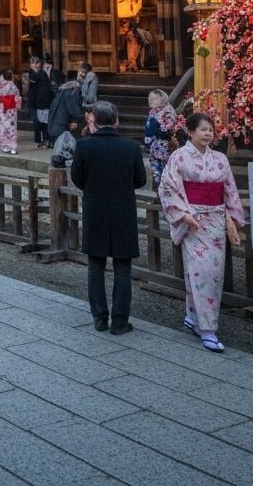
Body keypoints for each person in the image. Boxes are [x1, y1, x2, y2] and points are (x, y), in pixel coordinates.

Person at [158, 113, 245, 353]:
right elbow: (168, 186)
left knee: (212, 273)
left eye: (211, 130)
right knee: (200, 271)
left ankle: (193, 317)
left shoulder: (220, 159)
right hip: (193, 220)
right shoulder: (179, 157)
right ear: (190, 131)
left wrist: (233, 219)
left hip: (216, 220)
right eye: (203, 130)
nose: (208, 134)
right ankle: (208, 330)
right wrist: (182, 214)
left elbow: (229, 190)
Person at [69, 101, 147, 334]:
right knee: (123, 267)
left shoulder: (84, 146)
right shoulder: (131, 147)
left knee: (96, 266)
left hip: (95, 208)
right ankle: (120, 321)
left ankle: (100, 318)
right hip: (123, 208)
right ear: (116, 121)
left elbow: (77, 177)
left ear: (95, 120)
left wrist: (92, 187)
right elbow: (140, 180)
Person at [144, 89, 176, 188]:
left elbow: (166, 131)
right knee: (156, 171)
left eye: (154, 99)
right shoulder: (154, 110)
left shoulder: (167, 111)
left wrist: (156, 126)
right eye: (151, 99)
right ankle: (158, 191)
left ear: (162, 99)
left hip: (163, 146)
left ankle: (164, 192)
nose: (151, 101)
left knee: (164, 170)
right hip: (154, 145)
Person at [47, 69, 83, 148]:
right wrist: (82, 116)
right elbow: (74, 110)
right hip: (62, 126)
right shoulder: (71, 92)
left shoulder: (61, 91)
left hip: (55, 125)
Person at [0, 70, 22, 155]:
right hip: (12, 111)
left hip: (3, 110)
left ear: (3, 77)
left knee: (3, 127)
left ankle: (5, 146)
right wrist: (17, 106)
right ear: (11, 77)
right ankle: (13, 147)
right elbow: (18, 98)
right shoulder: (14, 87)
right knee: (12, 127)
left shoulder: (1, 86)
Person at [26, 55, 53, 148]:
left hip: (44, 101)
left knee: (45, 123)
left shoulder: (43, 73)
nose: (35, 65)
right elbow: (28, 86)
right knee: (37, 123)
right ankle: (38, 141)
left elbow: (48, 86)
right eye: (33, 63)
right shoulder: (28, 74)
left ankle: (46, 140)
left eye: (37, 63)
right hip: (34, 102)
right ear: (30, 65)